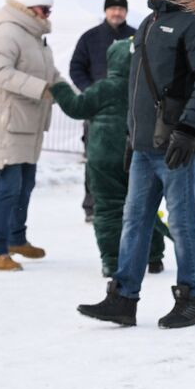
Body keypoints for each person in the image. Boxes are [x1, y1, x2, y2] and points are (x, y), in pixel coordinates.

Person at [77, 0, 195, 327]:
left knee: (182, 222)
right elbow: (138, 89)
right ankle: (123, 299)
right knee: (134, 221)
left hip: (177, 143)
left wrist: (189, 128)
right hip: (143, 145)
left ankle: (193, 299)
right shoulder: (149, 22)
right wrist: (131, 135)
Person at [51, 39, 170, 277]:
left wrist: (59, 88)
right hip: (137, 155)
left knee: (107, 210)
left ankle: (112, 260)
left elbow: (76, 107)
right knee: (144, 207)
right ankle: (154, 256)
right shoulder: (145, 89)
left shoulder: (103, 88)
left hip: (102, 158)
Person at [0, 0, 59, 271]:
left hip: (27, 123)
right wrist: (41, 89)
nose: (47, 15)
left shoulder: (34, 38)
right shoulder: (6, 33)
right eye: (44, 9)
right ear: (28, 7)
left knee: (25, 184)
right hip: (5, 123)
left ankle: (16, 238)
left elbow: (51, 74)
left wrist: (70, 94)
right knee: (8, 187)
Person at [70, 0, 136, 223]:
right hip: (97, 112)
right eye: (112, 8)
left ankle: (126, 204)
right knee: (95, 159)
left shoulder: (136, 37)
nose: (116, 12)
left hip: (128, 111)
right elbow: (76, 68)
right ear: (105, 10)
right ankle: (92, 205)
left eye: (120, 8)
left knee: (127, 158)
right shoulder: (90, 37)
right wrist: (91, 92)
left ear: (126, 11)